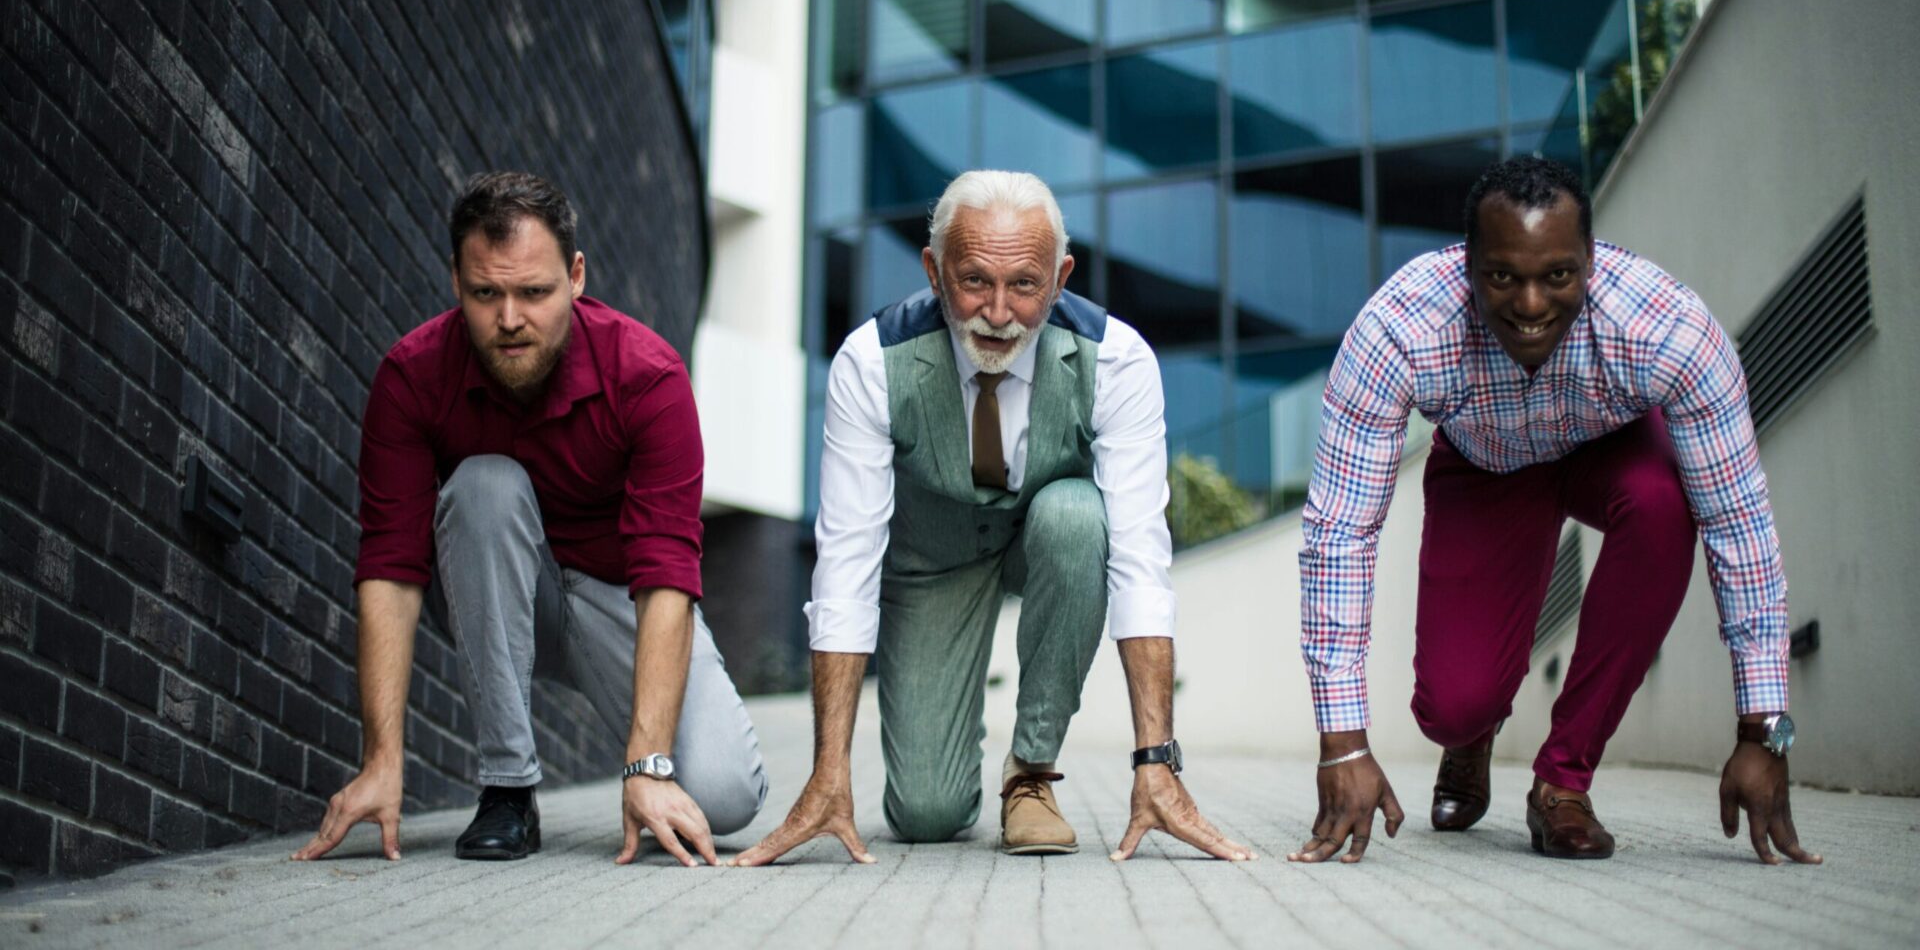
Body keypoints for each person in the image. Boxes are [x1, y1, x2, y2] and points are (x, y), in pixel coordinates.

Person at [1288, 157, 1822, 865]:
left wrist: (1762, 730)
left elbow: (1738, 520)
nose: (1532, 303)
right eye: (1502, 277)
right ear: (1467, 266)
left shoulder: (1668, 328)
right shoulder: (1400, 329)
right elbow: (1340, 534)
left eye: (1559, 275)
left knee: (1668, 504)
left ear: (1590, 261)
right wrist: (1343, 744)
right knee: (1451, 707)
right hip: (1486, 467)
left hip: (1613, 449)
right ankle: (1473, 734)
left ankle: (1563, 782)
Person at [733, 171, 1251, 866]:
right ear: (934, 271)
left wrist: (1155, 761)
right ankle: (937, 778)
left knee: (1078, 517)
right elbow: (847, 562)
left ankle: (1031, 773)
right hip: (931, 562)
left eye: (1025, 285)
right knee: (925, 815)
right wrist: (829, 774)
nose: (999, 313)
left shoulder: (1117, 359)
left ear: (1061, 279)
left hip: (1049, 539)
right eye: (975, 280)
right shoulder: (872, 360)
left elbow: (1140, 561)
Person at [292, 171, 767, 867]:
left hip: (619, 602)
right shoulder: (412, 377)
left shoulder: (648, 376)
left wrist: (647, 767)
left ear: (576, 277)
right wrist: (381, 760)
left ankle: (655, 779)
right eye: (486, 294)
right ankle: (508, 790)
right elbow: (391, 568)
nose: (510, 319)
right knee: (485, 484)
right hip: (497, 588)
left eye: (535, 293)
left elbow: (667, 572)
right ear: (456, 281)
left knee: (725, 795)